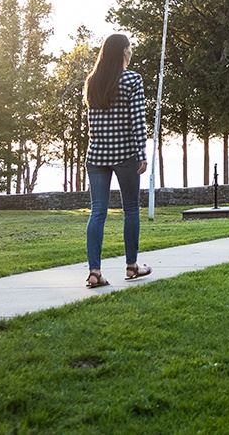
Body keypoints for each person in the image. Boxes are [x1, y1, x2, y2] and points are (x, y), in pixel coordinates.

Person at [83, 33, 151, 288]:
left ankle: (94, 272)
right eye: (130, 47)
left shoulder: (93, 81)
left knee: (97, 211)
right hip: (125, 154)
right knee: (130, 209)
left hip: (97, 154)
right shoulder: (133, 79)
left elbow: (92, 123)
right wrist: (141, 153)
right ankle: (132, 266)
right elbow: (137, 120)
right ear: (123, 51)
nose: (132, 51)